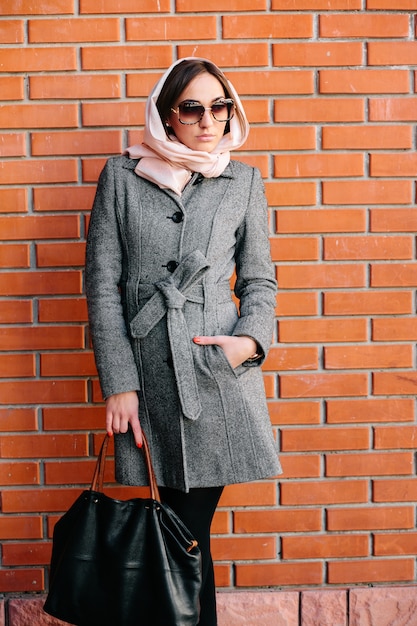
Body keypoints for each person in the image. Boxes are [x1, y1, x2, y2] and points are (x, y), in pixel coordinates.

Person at [85, 57, 282, 626]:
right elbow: (101, 286)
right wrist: (118, 384)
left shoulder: (242, 180)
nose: (208, 119)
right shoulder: (121, 177)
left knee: (185, 533)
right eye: (191, 107)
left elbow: (259, 278)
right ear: (166, 116)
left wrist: (248, 343)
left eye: (219, 106)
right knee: (181, 537)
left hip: (214, 375)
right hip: (148, 376)